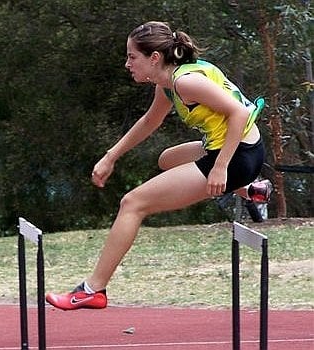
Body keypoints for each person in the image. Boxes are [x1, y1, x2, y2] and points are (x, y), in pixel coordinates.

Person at [46, 21, 272, 310]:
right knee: (166, 160)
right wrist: (110, 156)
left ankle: (93, 289)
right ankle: (251, 189)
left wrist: (221, 167)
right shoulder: (166, 85)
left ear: (154, 58)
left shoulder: (185, 82)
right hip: (233, 148)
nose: (127, 64)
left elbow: (239, 113)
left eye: (132, 57)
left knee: (132, 203)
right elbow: (149, 122)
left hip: (237, 153)